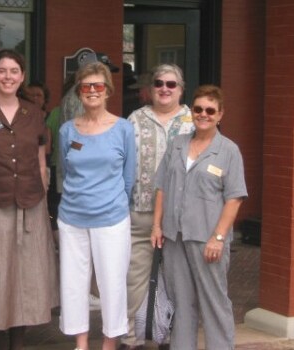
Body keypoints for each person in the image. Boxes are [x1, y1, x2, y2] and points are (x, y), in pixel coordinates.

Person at [0, 49, 58, 350]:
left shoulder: (34, 113)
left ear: (22, 75)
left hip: (31, 205)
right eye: (2, 71)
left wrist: (42, 194)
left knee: (27, 278)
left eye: (14, 71)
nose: (8, 76)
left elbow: (40, 157)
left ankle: (19, 343)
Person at [152, 85, 247, 350]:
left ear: (220, 115)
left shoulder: (228, 151)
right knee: (181, 303)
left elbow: (234, 198)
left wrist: (218, 237)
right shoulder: (178, 144)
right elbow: (162, 186)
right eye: (198, 109)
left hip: (207, 240)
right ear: (191, 111)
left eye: (210, 110)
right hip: (174, 237)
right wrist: (157, 225)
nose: (203, 114)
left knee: (214, 302)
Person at [57, 61, 136, 350]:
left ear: (108, 91)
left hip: (112, 217)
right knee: (73, 282)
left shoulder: (123, 128)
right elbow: (64, 170)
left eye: (98, 86)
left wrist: (112, 203)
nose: (92, 91)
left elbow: (129, 177)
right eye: (86, 86)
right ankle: (81, 342)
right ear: (79, 92)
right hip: (72, 217)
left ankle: (109, 342)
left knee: (112, 282)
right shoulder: (68, 130)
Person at [120, 64, 194, 350]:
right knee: (133, 278)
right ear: (150, 89)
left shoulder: (194, 120)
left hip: (181, 216)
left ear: (181, 88)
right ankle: (129, 338)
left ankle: (175, 337)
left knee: (179, 279)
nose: (165, 88)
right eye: (159, 83)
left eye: (171, 84)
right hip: (141, 211)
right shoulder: (134, 120)